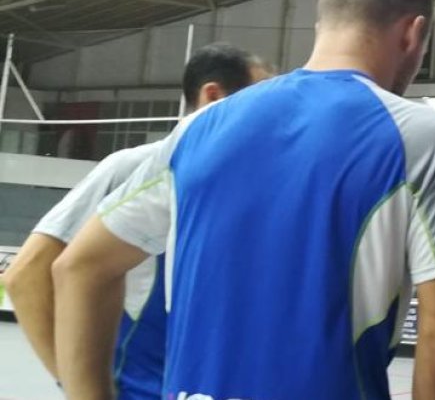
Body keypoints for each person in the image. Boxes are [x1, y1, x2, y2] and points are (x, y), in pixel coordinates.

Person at [51, 0, 435, 400]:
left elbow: (78, 268)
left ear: (323, 24)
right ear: (413, 34)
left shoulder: (199, 129)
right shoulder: (420, 136)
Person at [2, 43, 269, 399]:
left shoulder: (245, 187)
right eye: (262, 96)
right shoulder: (137, 168)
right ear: (213, 97)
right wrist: (78, 388)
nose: (273, 111)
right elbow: (26, 276)